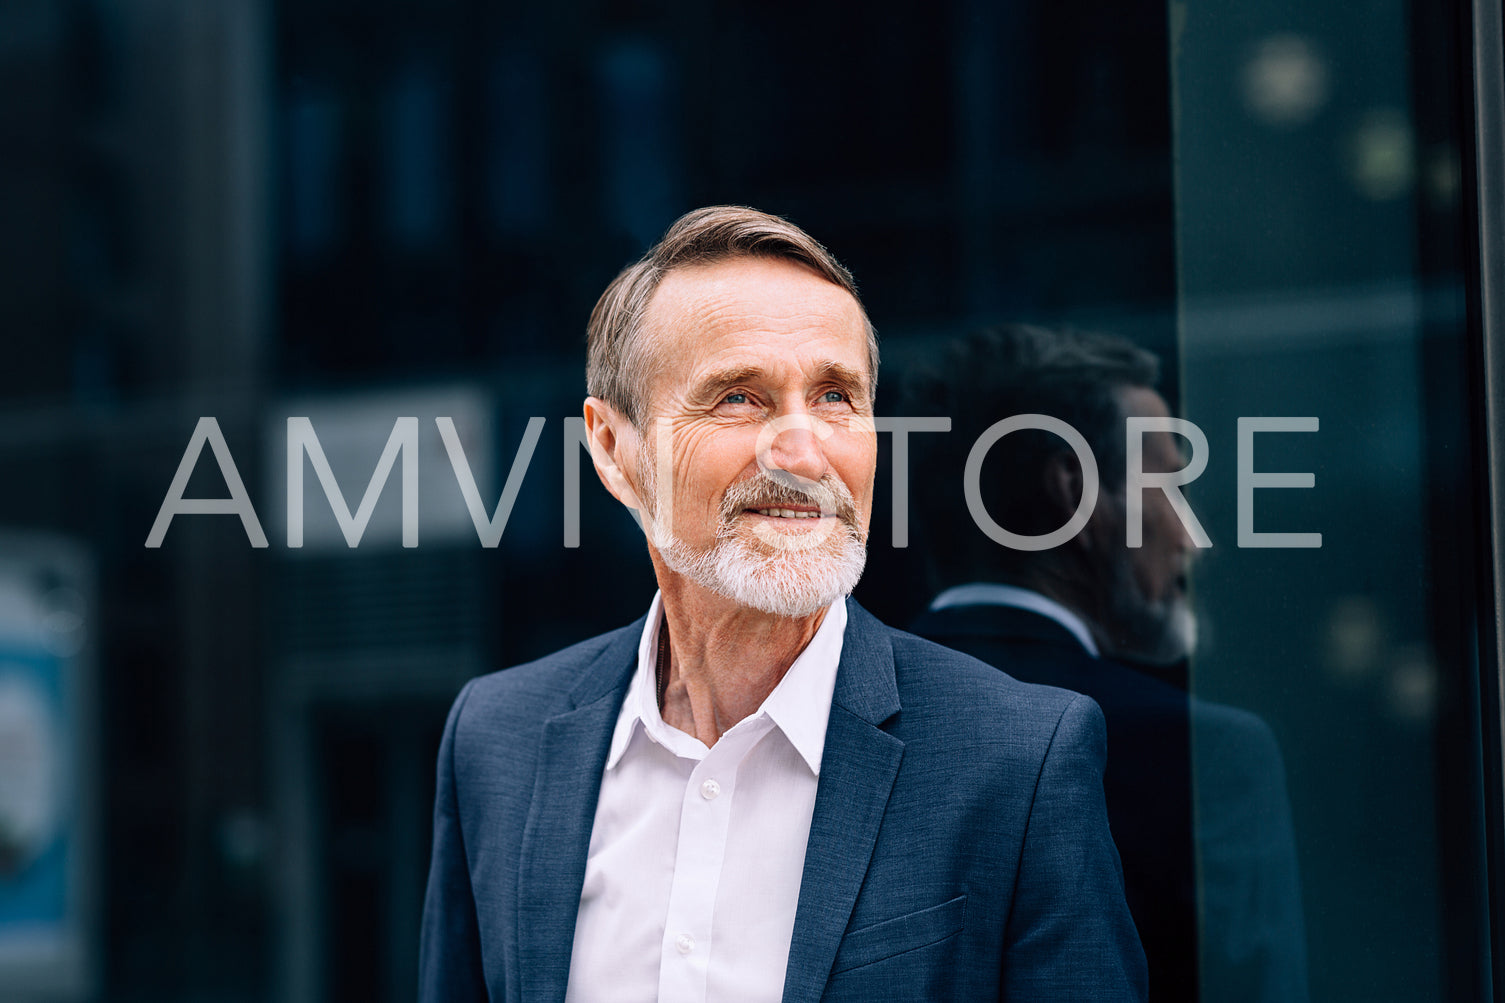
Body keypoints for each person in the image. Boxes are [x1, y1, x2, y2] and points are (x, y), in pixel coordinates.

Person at [418, 209, 1146, 1002]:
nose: (803, 453)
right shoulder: (496, 740)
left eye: (836, 395)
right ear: (613, 450)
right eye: (737, 398)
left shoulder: (1016, 759)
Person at [907, 325, 1308, 1003]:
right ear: (1075, 488)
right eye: (1170, 484)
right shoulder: (1202, 754)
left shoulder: (818, 721)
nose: (1192, 537)